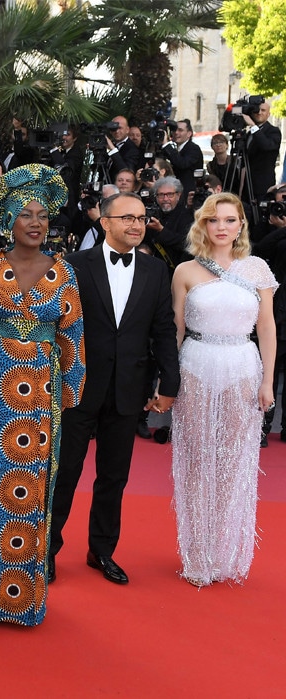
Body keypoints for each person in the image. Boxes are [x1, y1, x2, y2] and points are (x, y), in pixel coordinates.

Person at [0, 164, 86, 630]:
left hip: (41, 394)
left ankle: (20, 603)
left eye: (43, 215)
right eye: (26, 214)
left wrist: (70, 386)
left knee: (29, 492)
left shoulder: (64, 271)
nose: (36, 222)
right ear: (8, 218)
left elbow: (73, 334)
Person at [50, 192, 180, 586]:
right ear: (105, 223)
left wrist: (170, 382)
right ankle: (46, 551)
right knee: (66, 471)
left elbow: (163, 330)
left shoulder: (156, 271)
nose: (137, 225)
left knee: (114, 476)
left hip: (129, 387)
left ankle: (101, 551)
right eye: (127, 218)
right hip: (78, 386)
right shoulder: (72, 265)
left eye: (142, 218)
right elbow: (56, 326)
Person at [171, 193, 277, 587]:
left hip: (242, 368)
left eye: (230, 220)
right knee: (198, 460)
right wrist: (167, 383)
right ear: (203, 225)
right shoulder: (185, 270)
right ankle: (196, 555)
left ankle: (226, 552)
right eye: (214, 220)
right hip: (196, 366)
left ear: (240, 226)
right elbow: (177, 330)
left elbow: (266, 327)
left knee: (234, 461)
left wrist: (267, 380)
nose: (222, 227)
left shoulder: (257, 269)